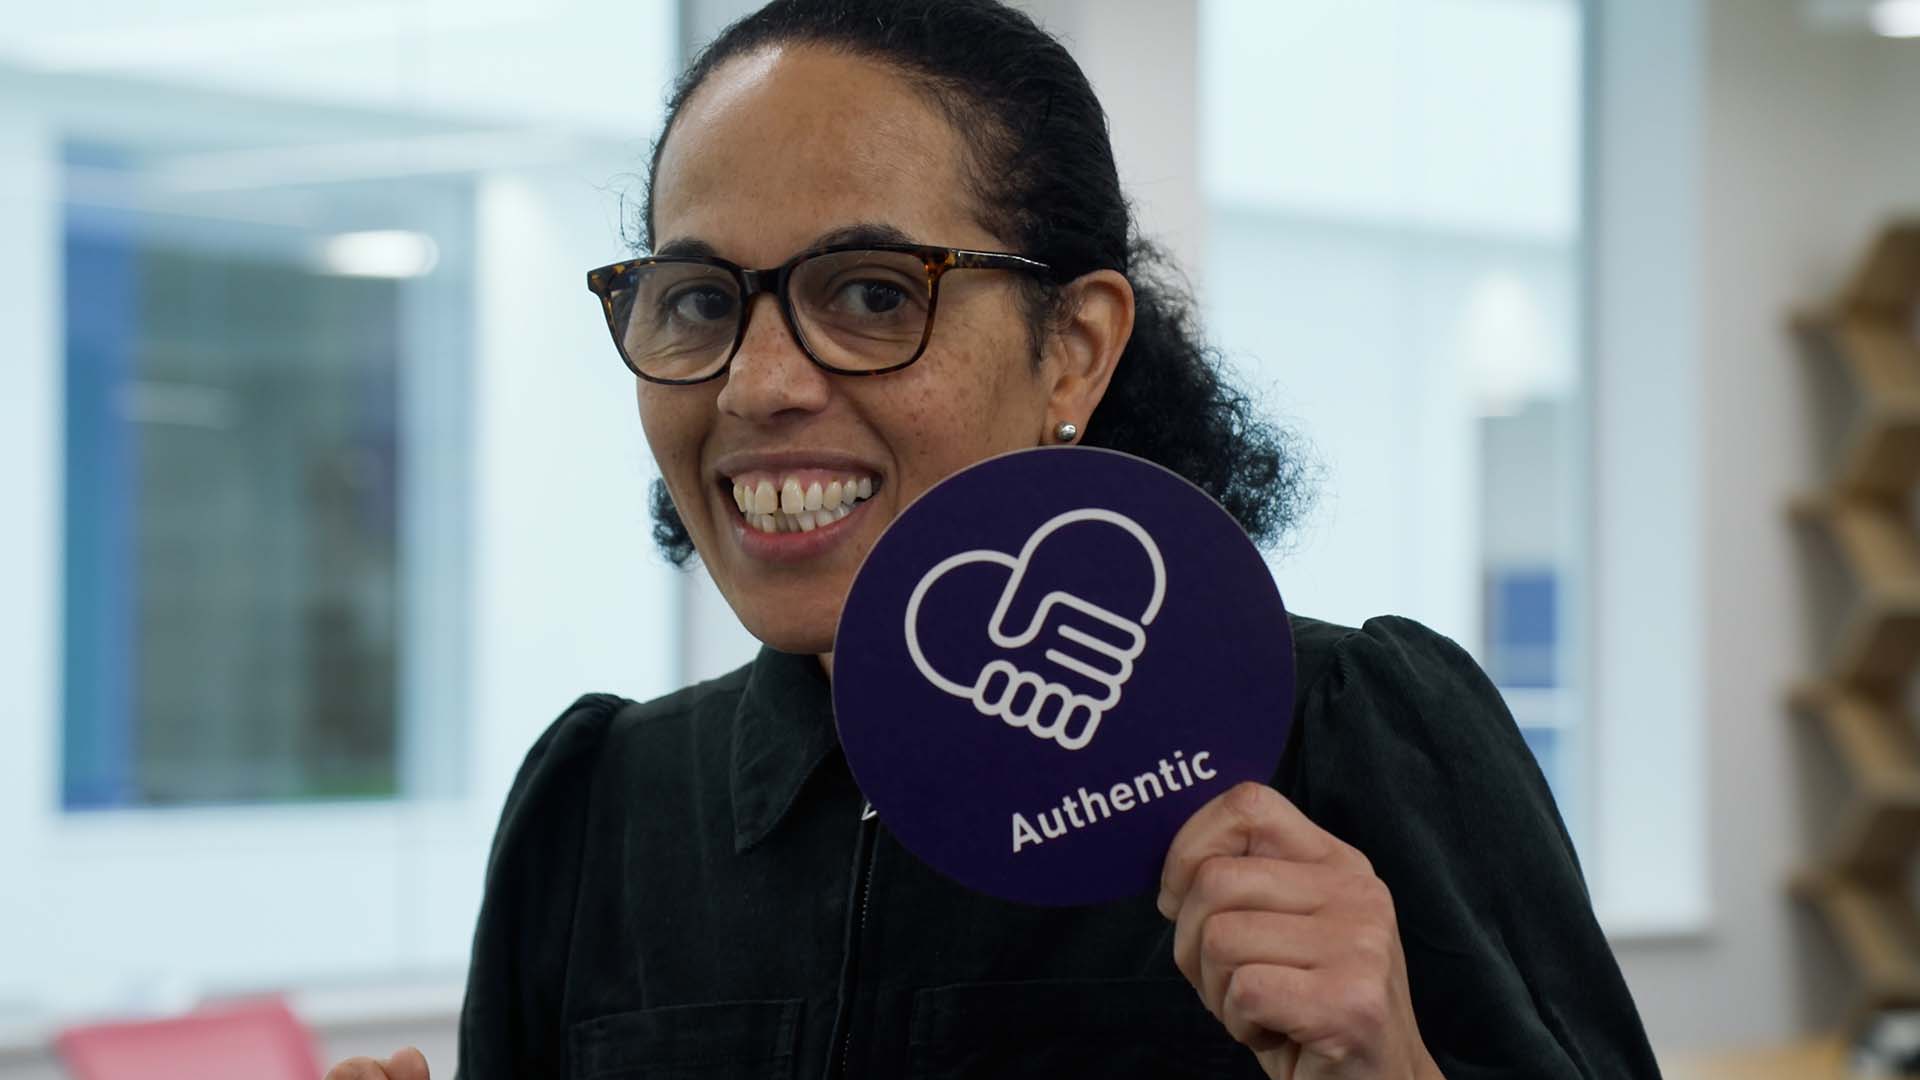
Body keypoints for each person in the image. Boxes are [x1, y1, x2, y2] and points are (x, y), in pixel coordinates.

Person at [327, 1, 1660, 1077]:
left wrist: (1393, 1070)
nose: (757, 384)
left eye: (866, 293)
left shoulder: (1343, 740)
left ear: (1072, 349)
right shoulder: (599, 811)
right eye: (696, 300)